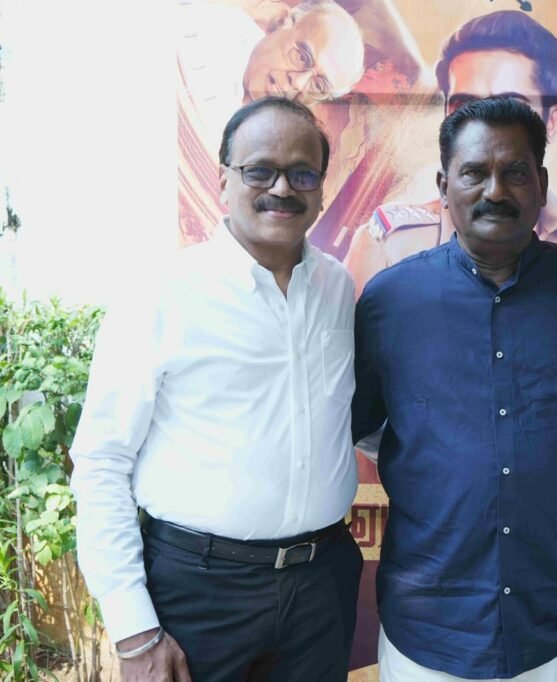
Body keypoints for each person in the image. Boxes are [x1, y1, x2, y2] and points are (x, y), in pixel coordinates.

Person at [71, 97, 363, 681]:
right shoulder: (163, 293)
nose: (282, 188)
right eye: (260, 170)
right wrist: (135, 633)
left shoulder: (337, 287)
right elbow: (102, 460)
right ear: (223, 179)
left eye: (302, 173)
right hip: (198, 592)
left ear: (321, 188)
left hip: (321, 585)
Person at [352, 97, 557, 681]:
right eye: (474, 172)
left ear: (542, 184)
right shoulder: (389, 302)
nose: (495, 191)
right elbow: (367, 427)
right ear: (443, 185)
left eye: (515, 172)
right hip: (430, 629)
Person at [344, 10, 557, 295]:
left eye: (511, 107)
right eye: (465, 107)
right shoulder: (387, 247)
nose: (486, 129)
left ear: (551, 121)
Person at [179, 0, 365, 156]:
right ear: (280, 22)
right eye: (302, 57)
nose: (298, 83)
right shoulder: (198, 28)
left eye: (317, 86)